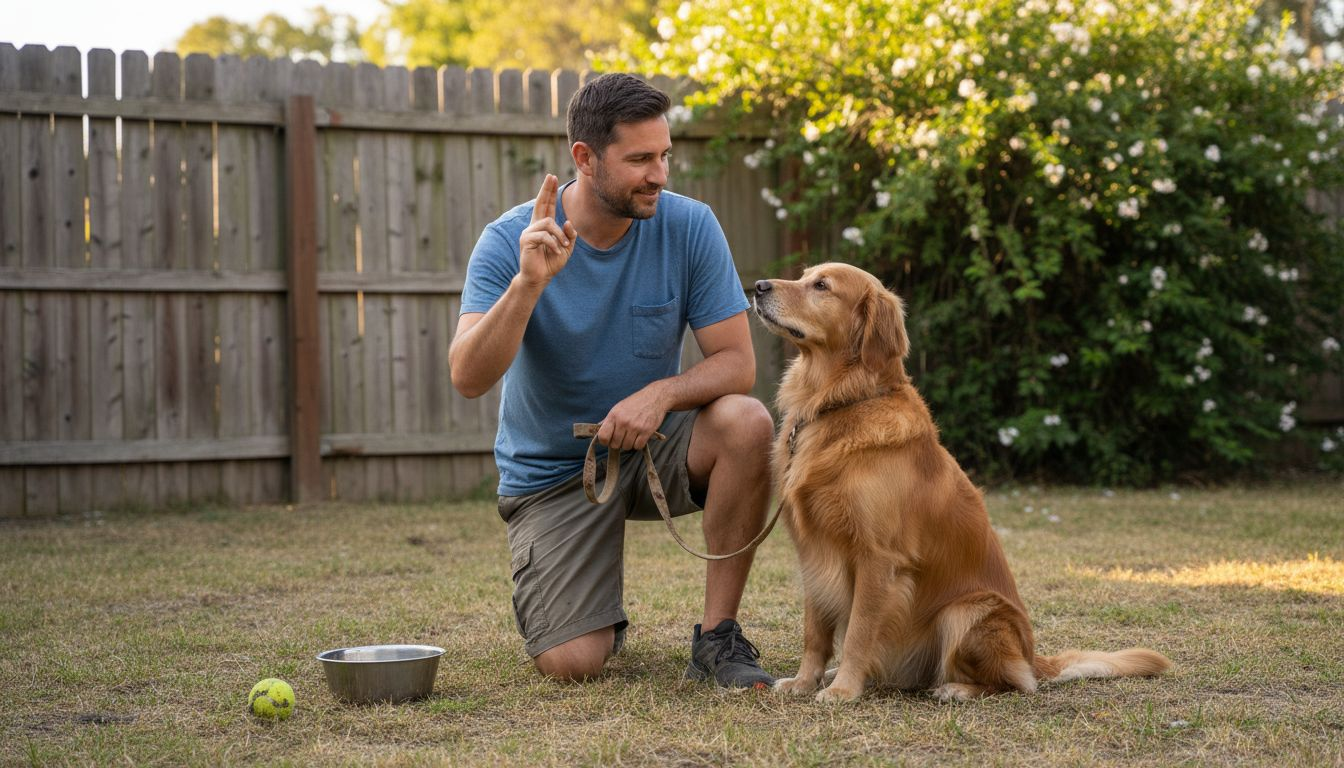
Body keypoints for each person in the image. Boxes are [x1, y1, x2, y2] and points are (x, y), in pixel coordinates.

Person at [448, 73, 776, 688]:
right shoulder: (507, 243)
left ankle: (718, 639)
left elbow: (738, 364)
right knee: (573, 664)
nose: (660, 174)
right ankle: (590, 611)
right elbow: (467, 376)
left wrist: (660, 394)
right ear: (585, 158)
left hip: (655, 444)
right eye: (640, 159)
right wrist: (528, 285)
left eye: (665, 156)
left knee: (747, 420)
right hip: (555, 474)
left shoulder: (690, 225)